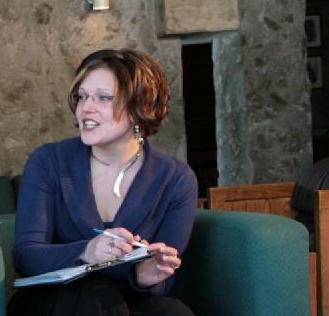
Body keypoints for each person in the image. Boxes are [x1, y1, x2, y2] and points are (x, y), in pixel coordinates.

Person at [10, 49, 197, 316]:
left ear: (139, 106)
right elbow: (26, 257)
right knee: (94, 296)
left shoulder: (176, 179)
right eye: (82, 96)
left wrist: (144, 277)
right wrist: (88, 251)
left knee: (173, 312)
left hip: (126, 301)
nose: (86, 107)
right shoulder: (48, 161)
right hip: (53, 301)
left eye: (104, 98)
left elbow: (162, 280)